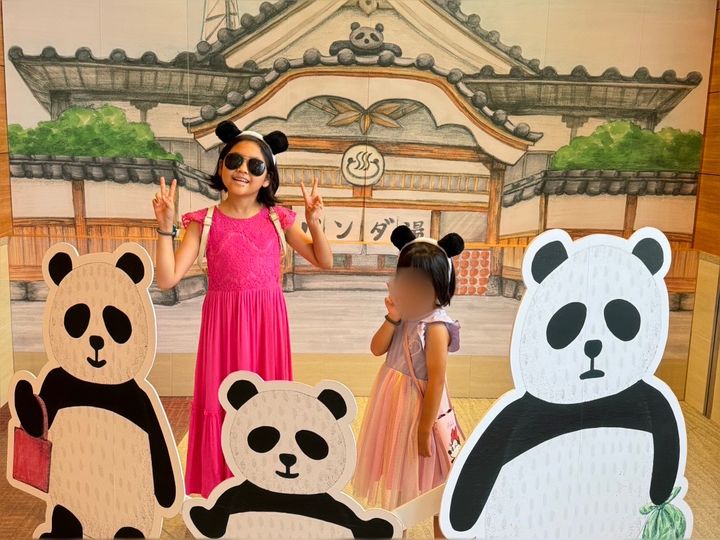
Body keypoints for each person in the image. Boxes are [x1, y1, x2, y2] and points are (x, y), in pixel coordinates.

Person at [152, 120, 333, 497]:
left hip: (267, 326)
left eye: (255, 165)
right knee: (220, 402)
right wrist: (165, 228)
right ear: (221, 165)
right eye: (234, 160)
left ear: (268, 178)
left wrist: (314, 223)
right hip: (222, 329)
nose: (242, 170)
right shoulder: (204, 221)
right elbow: (167, 278)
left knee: (268, 404)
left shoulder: (278, 218)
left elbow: (323, 260)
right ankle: (218, 492)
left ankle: (267, 488)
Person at [353, 225, 465, 538]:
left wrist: (424, 428)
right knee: (397, 476)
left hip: (421, 409)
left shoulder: (436, 327)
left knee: (437, 478)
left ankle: (443, 532)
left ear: (440, 286)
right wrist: (392, 316)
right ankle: (397, 530)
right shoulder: (402, 315)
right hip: (393, 404)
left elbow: (437, 381)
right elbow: (377, 348)